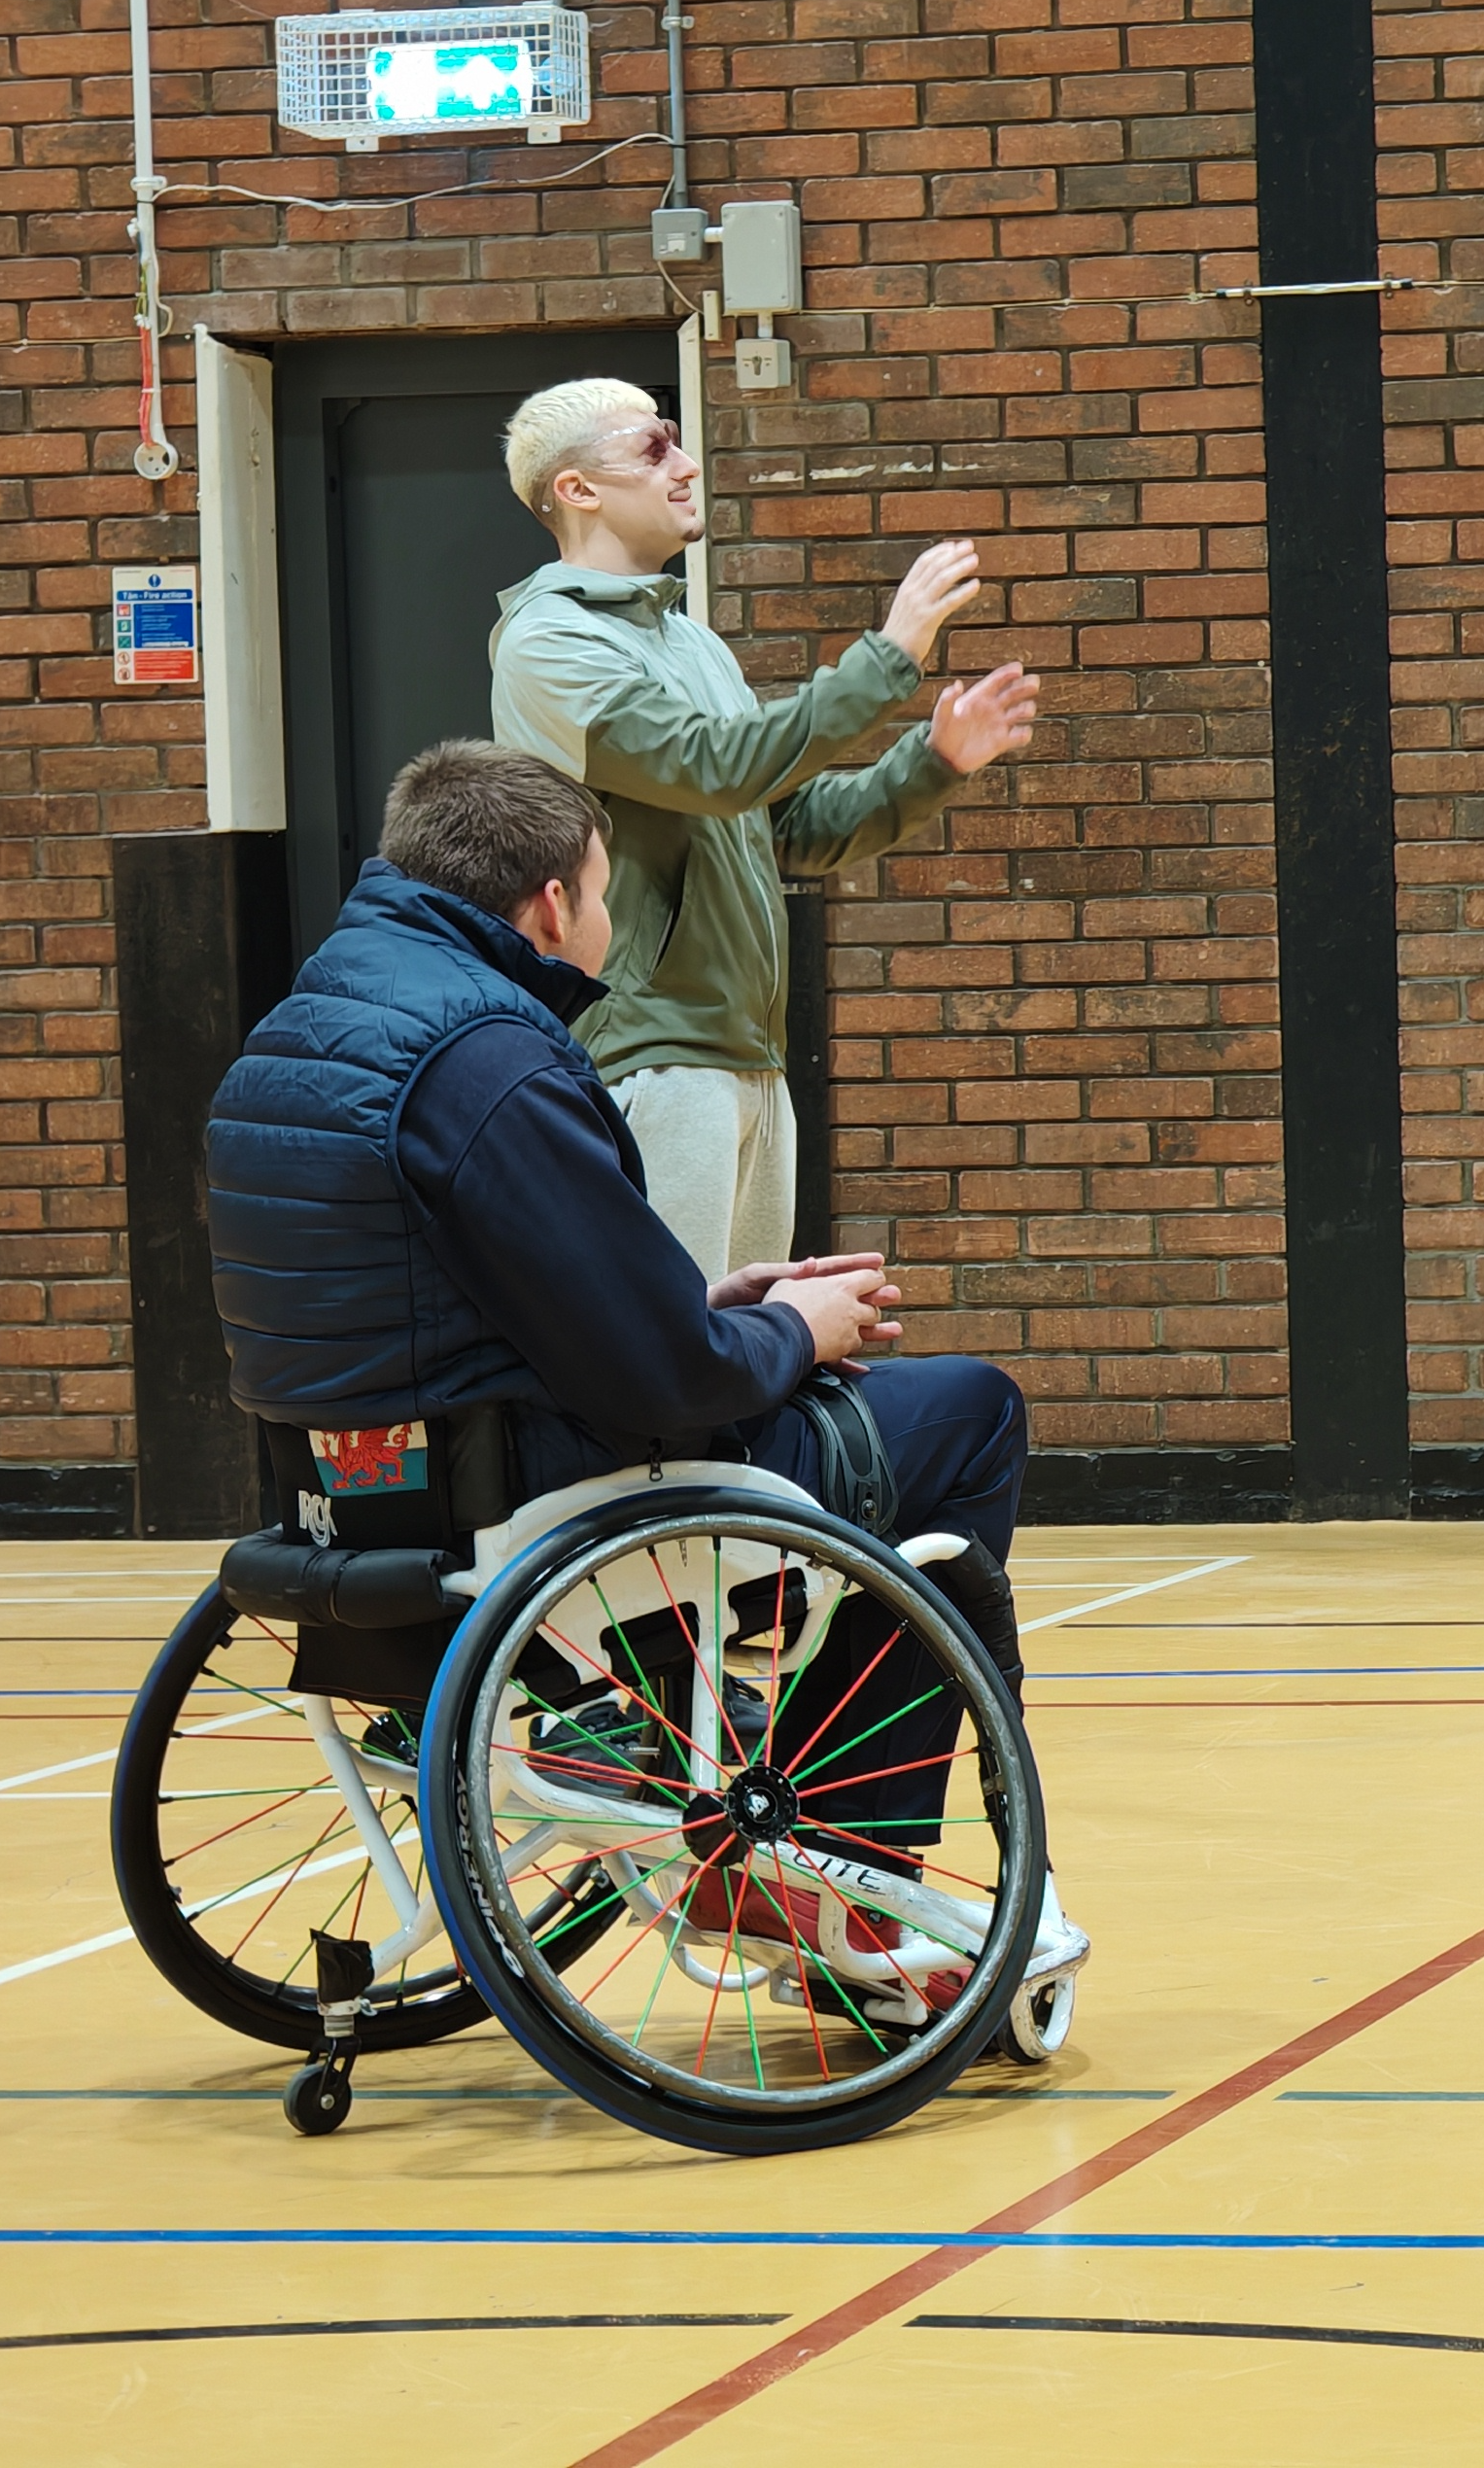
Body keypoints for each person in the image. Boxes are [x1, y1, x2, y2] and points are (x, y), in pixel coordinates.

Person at [201, 739, 1083, 2008]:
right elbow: (667, 1384)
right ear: (553, 902)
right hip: (532, 1503)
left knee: (790, 1381)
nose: (607, 924)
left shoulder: (303, 1033)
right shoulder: (487, 1057)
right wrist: (800, 1334)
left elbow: (457, 1301)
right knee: (964, 1416)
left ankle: (691, 1712)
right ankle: (847, 1867)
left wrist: (723, 1298)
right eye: (607, 895)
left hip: (352, 1503)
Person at [487, 378, 1039, 1278]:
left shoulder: (693, 644)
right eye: (655, 445)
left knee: (739, 1360)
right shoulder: (548, 641)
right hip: (653, 1050)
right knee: (669, 1356)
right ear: (577, 489)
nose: (688, 462)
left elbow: (790, 830)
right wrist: (889, 656)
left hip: (749, 1050)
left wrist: (934, 761)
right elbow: (716, 766)